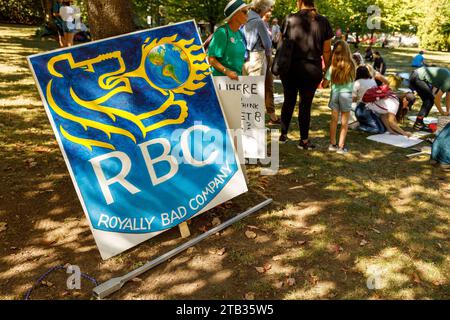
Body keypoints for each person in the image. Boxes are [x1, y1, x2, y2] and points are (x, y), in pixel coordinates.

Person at [279, 0, 333, 149]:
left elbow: (282, 43)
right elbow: (326, 50)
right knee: (305, 105)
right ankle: (304, 140)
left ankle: (283, 135)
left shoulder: (290, 18)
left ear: (300, 2)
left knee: (288, 100)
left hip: (290, 68)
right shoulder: (323, 21)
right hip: (312, 69)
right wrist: (326, 68)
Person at [243, 0, 279, 124]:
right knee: (256, 89)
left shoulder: (245, 19)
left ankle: (266, 117)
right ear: (262, 8)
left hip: (246, 57)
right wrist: (269, 57)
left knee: (251, 88)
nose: (268, 10)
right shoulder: (258, 22)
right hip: (258, 56)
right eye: (268, 8)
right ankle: (253, 121)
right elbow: (267, 44)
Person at [322, 40, 356, 154]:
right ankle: (341, 147)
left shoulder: (333, 66)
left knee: (334, 121)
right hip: (346, 95)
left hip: (335, 94)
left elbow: (324, 84)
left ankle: (332, 144)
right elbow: (353, 80)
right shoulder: (351, 65)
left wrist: (325, 78)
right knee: (344, 122)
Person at [207, 0, 249, 80]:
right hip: (221, 83)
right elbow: (211, 59)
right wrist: (226, 71)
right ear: (235, 14)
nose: (248, 15)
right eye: (244, 12)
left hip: (235, 82)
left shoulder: (239, 33)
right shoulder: (222, 32)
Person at [409, 66, 450, 131]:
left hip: (416, 75)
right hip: (418, 77)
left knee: (428, 100)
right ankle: (418, 124)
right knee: (429, 100)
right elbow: (437, 99)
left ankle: (419, 122)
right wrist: (441, 112)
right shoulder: (448, 82)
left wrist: (448, 112)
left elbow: (448, 99)